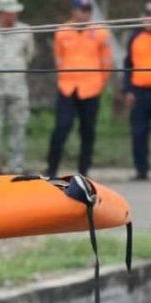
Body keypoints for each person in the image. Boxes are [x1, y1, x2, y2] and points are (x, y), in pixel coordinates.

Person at [47, 0, 113, 177]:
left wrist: (101, 82)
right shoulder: (62, 32)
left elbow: (106, 61)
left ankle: (84, 171)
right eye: (81, 9)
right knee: (61, 128)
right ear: (73, 11)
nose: (84, 13)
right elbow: (58, 58)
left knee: (88, 131)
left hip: (91, 88)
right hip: (67, 88)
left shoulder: (100, 32)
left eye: (88, 10)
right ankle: (51, 169)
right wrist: (63, 77)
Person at [0, 0, 35, 174]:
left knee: (18, 129)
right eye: (10, 12)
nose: (14, 15)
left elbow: (29, 55)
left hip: (17, 89)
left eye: (15, 12)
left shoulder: (25, 31)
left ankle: (16, 168)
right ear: (0, 12)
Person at [125, 2, 151, 181]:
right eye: (148, 13)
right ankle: (141, 170)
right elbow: (127, 66)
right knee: (138, 132)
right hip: (140, 92)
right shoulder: (134, 37)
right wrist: (128, 90)